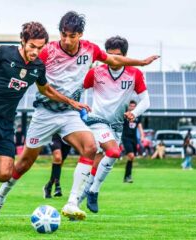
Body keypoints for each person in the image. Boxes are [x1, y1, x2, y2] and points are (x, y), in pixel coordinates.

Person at [0, 12, 159, 224]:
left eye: (72, 36)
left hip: (69, 114)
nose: (67, 40)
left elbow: (114, 59)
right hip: (45, 112)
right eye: (63, 34)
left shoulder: (90, 49)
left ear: (81, 35)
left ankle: (72, 202)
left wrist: (141, 62)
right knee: (23, 165)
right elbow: (25, 63)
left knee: (90, 146)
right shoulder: (48, 50)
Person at [0, 21, 89, 229]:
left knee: (5, 173)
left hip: (6, 122)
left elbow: (47, 90)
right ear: (23, 41)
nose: (36, 51)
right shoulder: (4, 53)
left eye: (40, 47)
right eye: (32, 46)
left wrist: (71, 101)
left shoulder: (37, 67)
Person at [77, 36, 151, 214]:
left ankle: (75, 204)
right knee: (114, 152)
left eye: (117, 56)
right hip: (97, 121)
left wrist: (134, 113)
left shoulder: (135, 74)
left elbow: (146, 101)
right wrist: (78, 109)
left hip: (116, 126)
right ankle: (94, 192)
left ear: (125, 56)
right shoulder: (96, 71)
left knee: (101, 165)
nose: (113, 59)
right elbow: (77, 90)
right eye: (109, 55)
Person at [122, 100, 144, 183]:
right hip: (126, 138)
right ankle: (128, 176)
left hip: (134, 139)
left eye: (133, 106)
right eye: (130, 106)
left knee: (132, 158)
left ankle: (127, 176)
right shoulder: (125, 115)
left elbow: (139, 126)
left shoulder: (137, 115)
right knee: (131, 156)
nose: (132, 108)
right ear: (128, 107)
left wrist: (142, 136)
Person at [43, 134, 71, 198]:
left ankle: (48, 186)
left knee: (59, 164)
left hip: (67, 137)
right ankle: (57, 186)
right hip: (55, 135)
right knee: (58, 157)